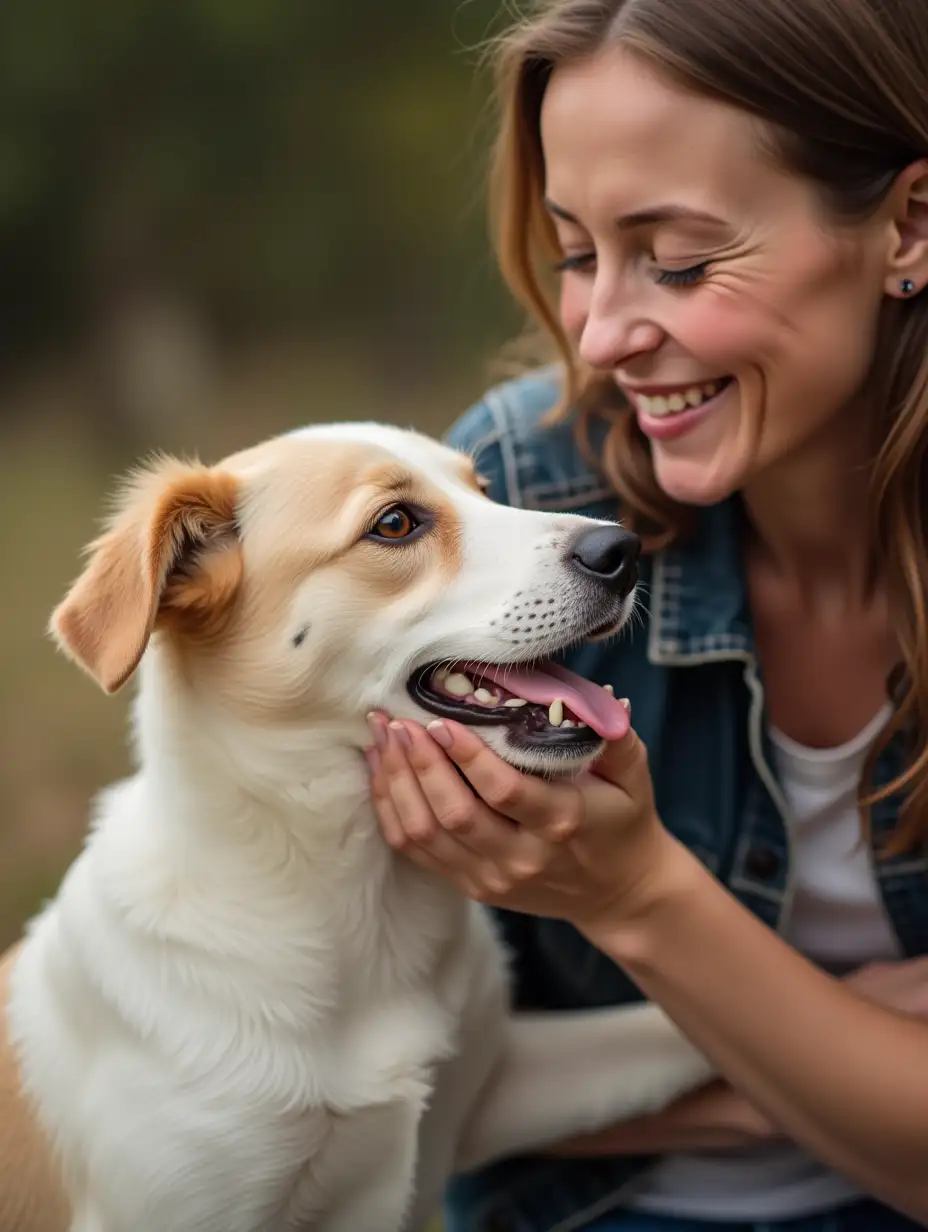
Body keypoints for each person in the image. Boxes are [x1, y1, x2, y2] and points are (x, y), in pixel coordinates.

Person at [364, 0, 928, 1228]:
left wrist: (631, 896)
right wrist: (808, 1064)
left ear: (907, 225)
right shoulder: (510, 500)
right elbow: (351, 1079)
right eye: (576, 253)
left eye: (675, 258)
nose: (603, 331)